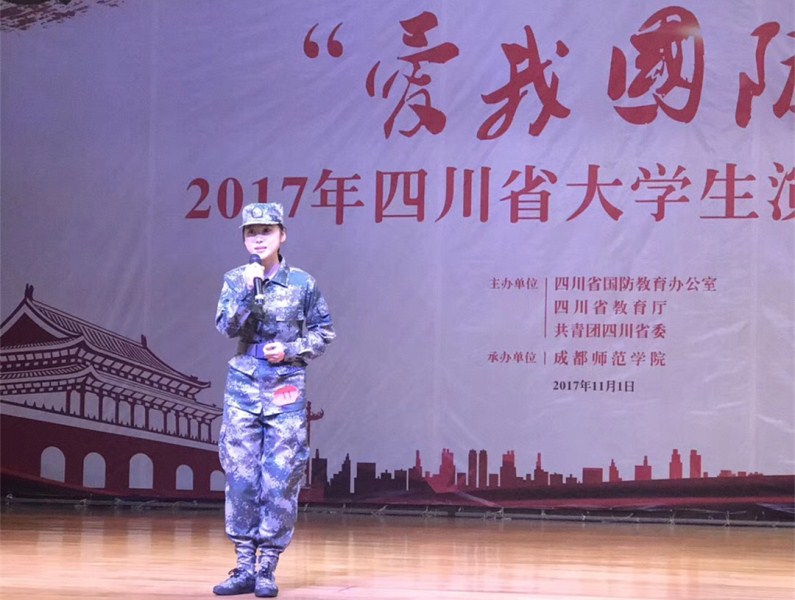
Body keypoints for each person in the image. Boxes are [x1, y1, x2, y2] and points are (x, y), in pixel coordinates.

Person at [213, 202, 335, 597]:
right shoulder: (236, 279)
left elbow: (324, 332)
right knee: (241, 479)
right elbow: (226, 326)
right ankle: (243, 566)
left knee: (280, 479)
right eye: (251, 232)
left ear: (282, 235)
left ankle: (267, 567)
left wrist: (292, 350)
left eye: (266, 231)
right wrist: (247, 292)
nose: (258, 238)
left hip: (285, 388)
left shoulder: (302, 283)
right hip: (243, 387)